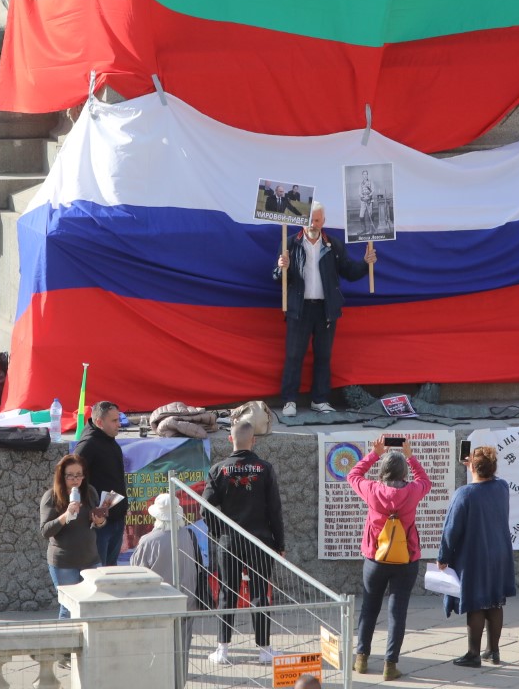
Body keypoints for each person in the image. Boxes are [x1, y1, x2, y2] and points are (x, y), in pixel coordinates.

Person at [275, 202, 376, 416]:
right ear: (303, 220)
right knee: (294, 355)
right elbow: (279, 279)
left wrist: (366, 263)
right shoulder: (290, 244)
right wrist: (280, 268)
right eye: (311, 219)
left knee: (323, 356)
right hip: (299, 308)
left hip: (325, 309)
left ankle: (319, 399)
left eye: (318, 219)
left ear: (324, 221)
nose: (314, 223)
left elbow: (349, 271)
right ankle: (289, 401)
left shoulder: (334, 246)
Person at [347, 437, 432, 681]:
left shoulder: (373, 490)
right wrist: (411, 456)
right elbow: (425, 481)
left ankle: (361, 659)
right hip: (406, 560)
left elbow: (353, 475)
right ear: (403, 471)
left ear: (382, 471)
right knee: (398, 612)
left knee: (369, 608)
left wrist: (374, 454)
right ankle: (390, 665)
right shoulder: (413, 491)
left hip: (375, 558)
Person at [203, 421, 285, 666]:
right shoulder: (265, 468)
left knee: (228, 593)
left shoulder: (218, 469)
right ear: (254, 440)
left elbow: (206, 508)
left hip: (230, 542)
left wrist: (221, 533)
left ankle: (223, 650)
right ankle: (264, 650)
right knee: (261, 594)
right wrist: (279, 543)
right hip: (261, 540)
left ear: (230, 440)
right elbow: (275, 509)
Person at [437, 446, 516, 668]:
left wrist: (443, 556)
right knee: (495, 600)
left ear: (472, 467)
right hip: (499, 552)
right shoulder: (502, 487)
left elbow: (450, 530)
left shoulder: (464, 494)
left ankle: (473, 654)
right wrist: (475, 466)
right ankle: (493, 650)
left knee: (475, 603)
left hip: (475, 555)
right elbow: (492, 478)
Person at [130, 493, 198, 681]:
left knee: (156, 653)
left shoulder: (148, 541)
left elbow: (136, 572)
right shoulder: (188, 535)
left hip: (157, 607)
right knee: (182, 651)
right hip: (186, 603)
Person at [40, 454, 106, 620]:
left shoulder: (90, 492)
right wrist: (66, 515)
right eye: (70, 476)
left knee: (92, 606)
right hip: (64, 562)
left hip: (90, 559)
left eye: (79, 475)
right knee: (69, 608)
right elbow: (46, 531)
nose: (75, 480)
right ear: (62, 477)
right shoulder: (51, 497)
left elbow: (95, 525)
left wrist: (99, 521)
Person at [74, 401, 127, 566]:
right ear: (99, 422)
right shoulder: (88, 444)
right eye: (114, 421)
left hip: (116, 519)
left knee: (110, 572)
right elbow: (71, 479)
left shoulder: (108, 439)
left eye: (118, 420)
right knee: (98, 574)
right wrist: (90, 509)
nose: (119, 424)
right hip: (99, 525)